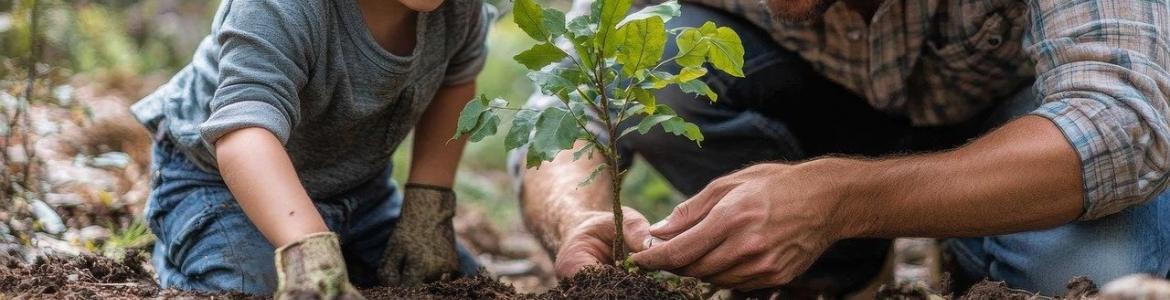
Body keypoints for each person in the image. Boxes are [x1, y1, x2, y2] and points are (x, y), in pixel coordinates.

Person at [513, 0, 1170, 297]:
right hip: (824, 107)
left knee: (1087, 277)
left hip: (1015, 127)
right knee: (644, 50)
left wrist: (848, 198)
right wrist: (574, 220)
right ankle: (836, 270)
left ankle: (979, 261)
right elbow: (568, 95)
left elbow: (1120, 121)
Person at [131, 0, 492, 298]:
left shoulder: (458, 9)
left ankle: (334, 249)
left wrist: (427, 204)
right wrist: (308, 249)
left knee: (451, 284)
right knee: (252, 287)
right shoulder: (279, 7)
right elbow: (243, 133)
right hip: (218, 183)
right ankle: (184, 251)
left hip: (358, 191)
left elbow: (456, 80)